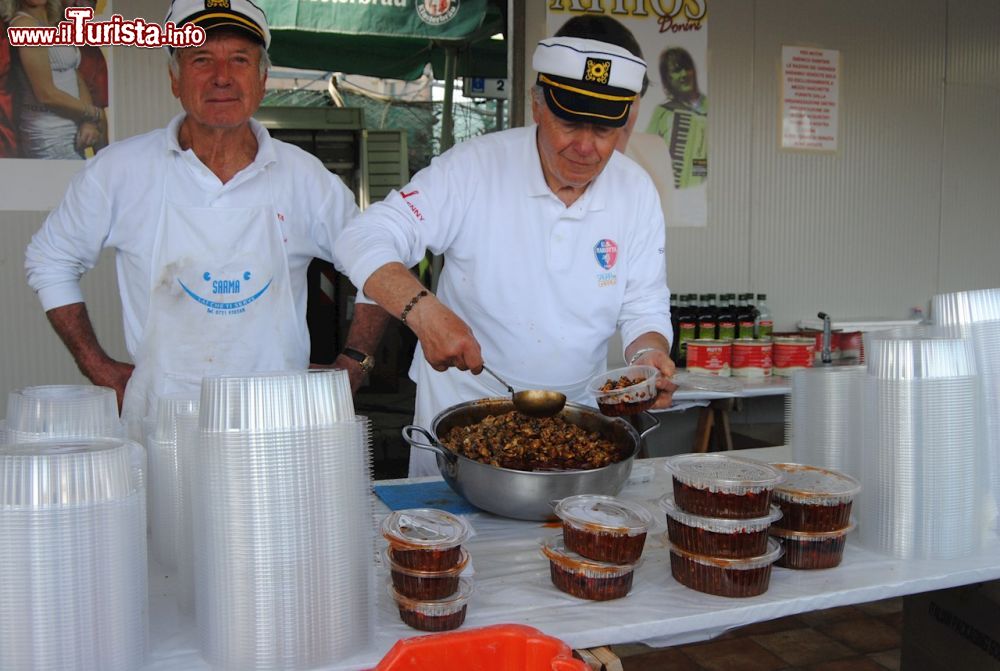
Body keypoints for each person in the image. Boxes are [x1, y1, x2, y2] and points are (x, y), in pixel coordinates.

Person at [24, 0, 389, 430]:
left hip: (277, 426)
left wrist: (357, 360)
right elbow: (49, 260)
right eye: (200, 58)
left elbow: (379, 264)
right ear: (173, 78)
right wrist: (98, 366)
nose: (221, 77)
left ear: (262, 78)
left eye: (239, 59)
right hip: (162, 427)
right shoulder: (119, 171)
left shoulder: (305, 178)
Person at [335, 34, 677, 477]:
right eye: (570, 123)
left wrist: (648, 355)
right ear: (537, 106)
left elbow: (644, 304)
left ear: (627, 121)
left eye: (604, 130)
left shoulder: (636, 191)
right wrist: (422, 311)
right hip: (460, 419)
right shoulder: (474, 168)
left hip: (578, 423)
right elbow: (363, 236)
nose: (586, 147)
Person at [1, 0, 103, 158]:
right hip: (48, 134)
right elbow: (46, 94)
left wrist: (87, 120)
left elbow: (74, 74)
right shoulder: (24, 25)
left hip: (74, 130)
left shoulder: (54, 22)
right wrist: (93, 114)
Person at [646, 46, 707, 190]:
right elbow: (646, 153)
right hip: (668, 192)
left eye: (687, 68)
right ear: (667, 79)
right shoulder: (663, 112)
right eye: (676, 70)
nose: (684, 74)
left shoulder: (710, 107)